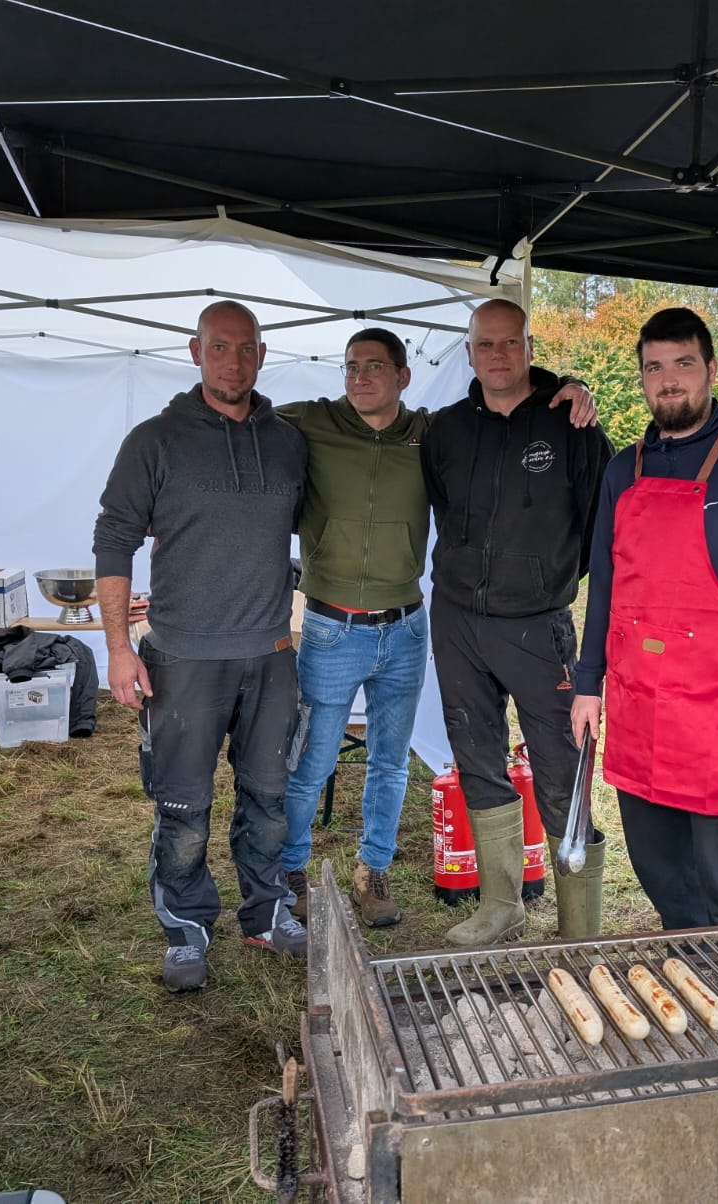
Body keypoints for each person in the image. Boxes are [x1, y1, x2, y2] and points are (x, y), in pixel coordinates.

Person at [276, 329, 595, 930]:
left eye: (375, 366)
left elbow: (505, 415)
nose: (360, 377)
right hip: (331, 628)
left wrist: (569, 386)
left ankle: (375, 872)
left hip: (405, 626)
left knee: (391, 762)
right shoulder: (311, 422)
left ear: (403, 376)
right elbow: (242, 415)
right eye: (351, 367)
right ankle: (290, 872)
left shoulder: (430, 433)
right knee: (312, 762)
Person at [570, 306, 718, 930]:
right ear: (642, 378)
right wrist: (587, 685)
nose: (668, 380)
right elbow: (605, 592)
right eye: (654, 367)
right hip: (638, 703)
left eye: (683, 363)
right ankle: (686, 958)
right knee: (660, 870)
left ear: (710, 368)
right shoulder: (622, 470)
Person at [93, 300, 308, 993]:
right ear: (195, 352)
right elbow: (113, 539)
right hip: (182, 658)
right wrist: (119, 647)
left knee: (268, 798)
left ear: (262, 356)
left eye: (246, 349)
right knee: (183, 808)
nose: (233, 362)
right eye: (219, 347)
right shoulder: (154, 441)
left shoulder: (288, 441)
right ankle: (186, 929)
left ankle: (267, 912)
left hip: (270, 653)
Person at [421, 299, 613, 947]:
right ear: (469, 352)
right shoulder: (445, 431)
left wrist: (547, 579)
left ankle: (578, 925)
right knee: (477, 755)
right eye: (486, 344)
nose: (498, 355)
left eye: (510, 343)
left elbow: (601, 526)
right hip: (457, 621)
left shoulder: (572, 424)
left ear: (530, 348)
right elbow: (442, 508)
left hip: (537, 625)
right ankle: (501, 905)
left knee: (561, 766)